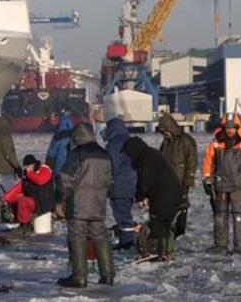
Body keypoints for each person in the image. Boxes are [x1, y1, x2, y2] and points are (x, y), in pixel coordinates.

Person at [57, 123, 114, 288]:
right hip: (98, 202)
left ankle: (79, 277)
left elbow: (65, 178)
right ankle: (108, 275)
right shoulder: (104, 154)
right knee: (100, 236)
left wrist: (62, 198)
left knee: (77, 236)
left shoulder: (77, 153)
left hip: (78, 203)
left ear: (76, 137)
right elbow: (110, 180)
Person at [201, 115, 241, 256]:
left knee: (239, 216)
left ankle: (240, 248)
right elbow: (208, 162)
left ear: (238, 128)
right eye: (227, 128)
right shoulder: (215, 143)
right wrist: (206, 179)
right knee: (219, 217)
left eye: (233, 128)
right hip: (221, 186)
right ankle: (220, 246)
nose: (230, 131)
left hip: (239, 187)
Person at [122, 136, 184, 260]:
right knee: (162, 222)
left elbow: (145, 180)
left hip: (165, 194)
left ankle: (158, 251)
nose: (128, 158)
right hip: (168, 193)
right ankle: (164, 250)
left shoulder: (146, 158)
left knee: (159, 222)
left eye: (128, 154)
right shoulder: (149, 154)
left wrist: (140, 196)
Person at [156, 113, 198, 237]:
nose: (164, 134)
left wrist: (189, 179)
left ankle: (180, 232)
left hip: (181, 180)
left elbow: (192, 161)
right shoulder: (165, 143)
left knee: (181, 206)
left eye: (165, 131)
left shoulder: (187, 141)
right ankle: (168, 232)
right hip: (167, 182)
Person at [103, 118, 137, 250]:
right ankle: (127, 238)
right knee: (125, 212)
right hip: (131, 183)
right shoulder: (129, 140)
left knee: (122, 214)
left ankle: (127, 241)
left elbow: (112, 165)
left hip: (119, 185)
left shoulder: (114, 144)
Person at [2, 154, 55, 230]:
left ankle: (24, 225)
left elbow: (40, 180)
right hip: (35, 200)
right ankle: (17, 222)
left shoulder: (45, 170)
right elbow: (20, 187)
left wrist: (29, 174)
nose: (27, 169)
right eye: (26, 167)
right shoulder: (27, 174)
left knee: (23, 200)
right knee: (15, 200)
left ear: (34, 164)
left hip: (44, 202)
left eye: (29, 166)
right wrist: (6, 198)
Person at [0, 116, 21, 222]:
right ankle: (9, 218)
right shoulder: (5, 137)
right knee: (9, 194)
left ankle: (0, 216)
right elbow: (9, 155)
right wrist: (17, 167)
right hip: (5, 170)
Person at [45, 112, 74, 178]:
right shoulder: (75, 135)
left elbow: (51, 154)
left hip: (59, 171)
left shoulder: (58, 136)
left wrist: (48, 167)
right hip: (72, 172)